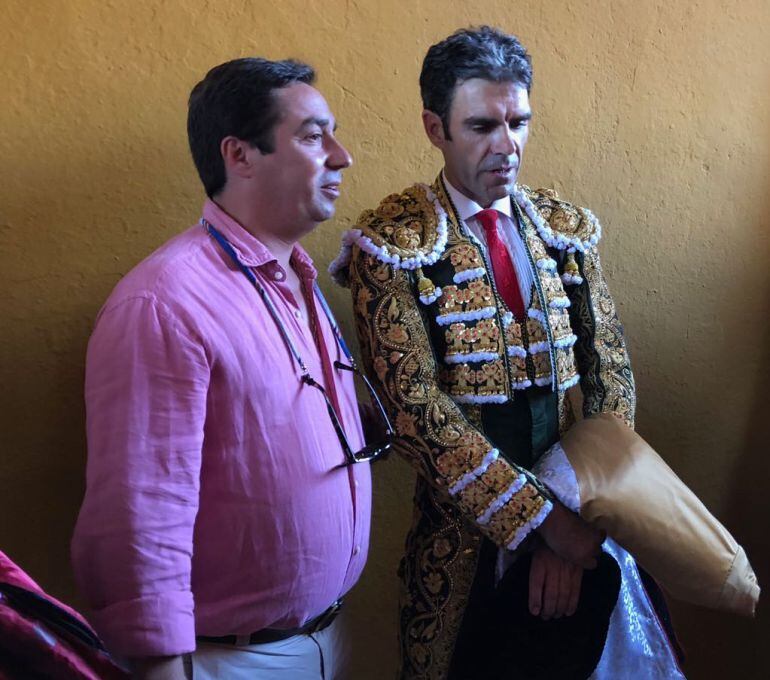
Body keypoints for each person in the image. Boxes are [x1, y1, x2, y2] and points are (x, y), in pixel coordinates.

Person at [331, 26, 683, 679]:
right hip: (458, 555)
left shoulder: (564, 231)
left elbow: (612, 377)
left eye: (519, 122)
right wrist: (542, 524)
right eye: (482, 125)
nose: (508, 145)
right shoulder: (393, 245)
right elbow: (418, 418)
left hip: (583, 535)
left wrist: (577, 529)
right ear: (436, 128)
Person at [72, 57, 389, 680]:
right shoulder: (163, 303)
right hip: (226, 661)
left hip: (328, 638)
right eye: (311, 135)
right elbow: (140, 508)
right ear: (239, 156)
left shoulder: (299, 276)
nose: (342, 155)